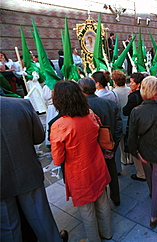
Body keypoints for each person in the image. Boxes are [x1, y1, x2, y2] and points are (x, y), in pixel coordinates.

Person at [50, 81, 112, 241]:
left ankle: (93, 239)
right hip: (97, 164)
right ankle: (107, 232)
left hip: (79, 172)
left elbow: (57, 159)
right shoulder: (90, 114)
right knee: (102, 200)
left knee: (87, 210)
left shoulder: (59, 125)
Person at [0, 96, 68, 242]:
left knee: (8, 229)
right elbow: (39, 137)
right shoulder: (20, 104)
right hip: (26, 171)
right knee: (41, 218)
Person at [127, 76, 157, 228]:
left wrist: (137, 153)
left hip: (144, 152)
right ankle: (153, 216)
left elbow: (131, 137)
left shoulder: (135, 111)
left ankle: (152, 194)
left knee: (150, 177)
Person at [78, 77, 122, 206]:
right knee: (112, 171)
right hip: (108, 145)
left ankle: (101, 200)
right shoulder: (109, 103)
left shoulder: (80, 108)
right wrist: (113, 145)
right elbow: (118, 127)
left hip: (91, 149)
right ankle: (116, 197)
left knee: (96, 175)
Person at [123, 72, 146, 181]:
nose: (130, 84)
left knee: (136, 149)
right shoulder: (145, 93)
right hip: (145, 123)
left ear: (138, 84)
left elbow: (125, 111)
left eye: (132, 82)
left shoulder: (133, 97)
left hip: (135, 125)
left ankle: (141, 173)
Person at [112, 70, 132, 167]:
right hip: (130, 119)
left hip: (120, 118)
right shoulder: (129, 90)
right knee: (130, 139)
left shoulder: (113, 93)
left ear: (115, 82)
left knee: (121, 142)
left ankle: (124, 159)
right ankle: (131, 158)